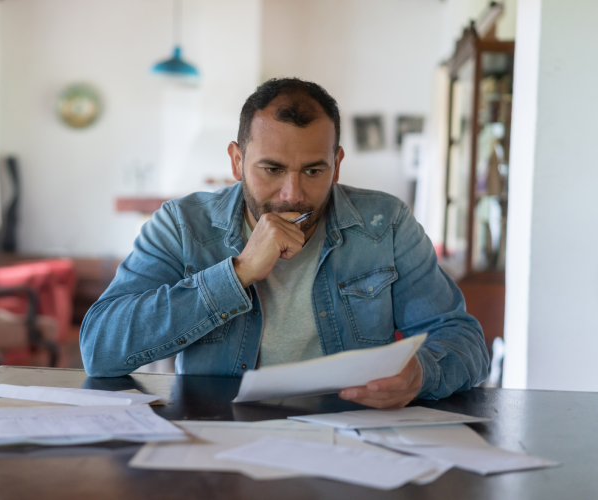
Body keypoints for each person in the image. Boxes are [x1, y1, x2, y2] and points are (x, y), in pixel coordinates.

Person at [81, 78, 489, 408]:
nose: (292, 194)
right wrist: (238, 274)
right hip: (221, 437)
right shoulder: (182, 224)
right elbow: (100, 349)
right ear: (236, 161)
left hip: (350, 437)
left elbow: (462, 338)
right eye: (271, 169)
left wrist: (422, 373)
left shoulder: (386, 223)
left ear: (338, 163)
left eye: (314, 170)